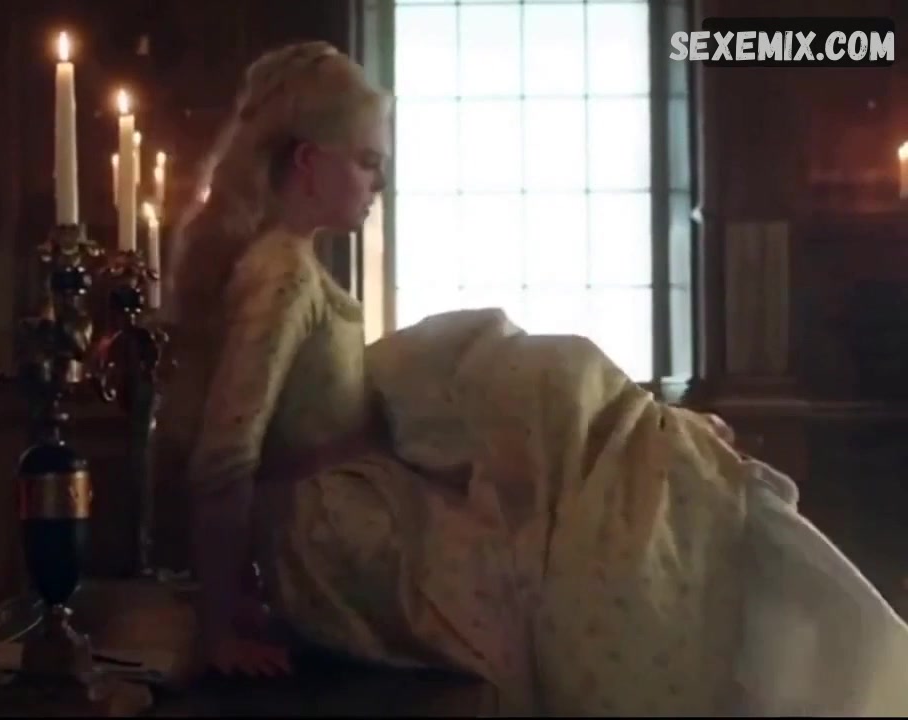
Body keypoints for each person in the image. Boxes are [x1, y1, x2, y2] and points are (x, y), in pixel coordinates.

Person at [151, 41, 908, 716]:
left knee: (583, 493)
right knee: (556, 576)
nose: (379, 181)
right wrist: (221, 618)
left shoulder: (294, 268)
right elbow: (225, 456)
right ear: (309, 162)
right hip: (337, 543)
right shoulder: (281, 275)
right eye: (367, 161)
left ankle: (813, 626)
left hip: (354, 520)